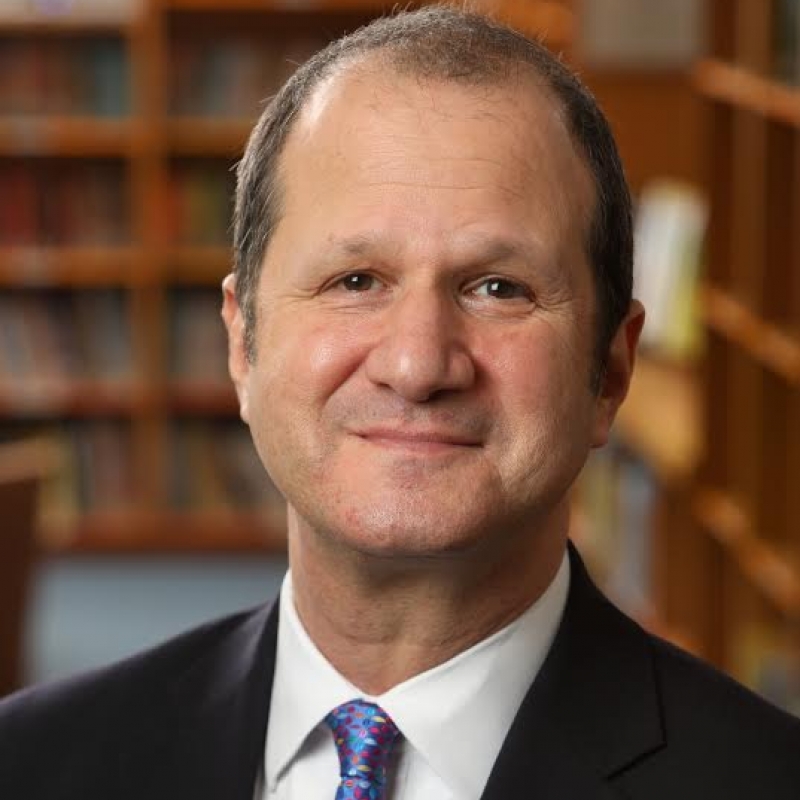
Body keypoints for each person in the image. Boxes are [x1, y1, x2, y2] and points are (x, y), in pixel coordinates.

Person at [2, 6, 799, 799]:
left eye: (498, 288)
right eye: (356, 281)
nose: (419, 364)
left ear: (611, 370)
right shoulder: (31, 763)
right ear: (243, 344)